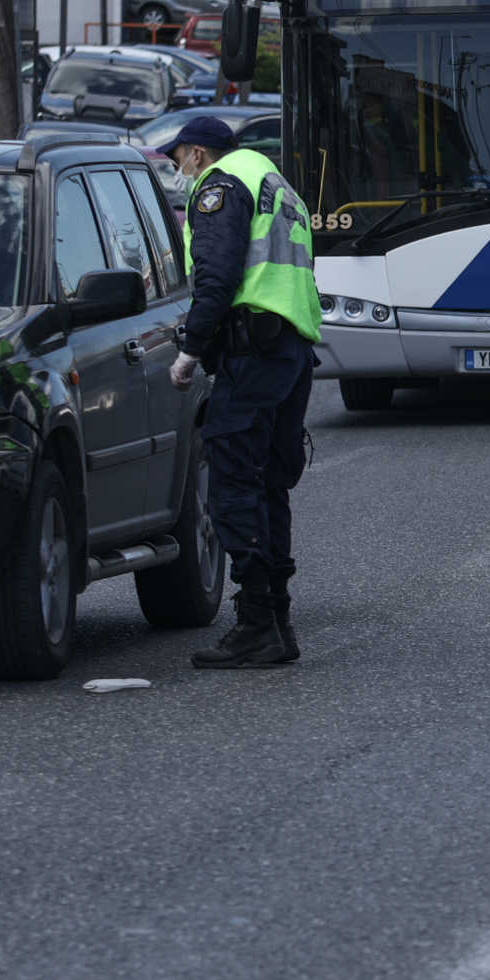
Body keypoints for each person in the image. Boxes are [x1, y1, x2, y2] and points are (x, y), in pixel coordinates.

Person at [163, 112, 324, 669]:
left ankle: (258, 622)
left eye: (177, 157)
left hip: (252, 349)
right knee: (268, 484)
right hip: (291, 348)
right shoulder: (275, 182)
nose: (178, 169)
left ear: (199, 154)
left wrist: (190, 348)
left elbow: (218, 273)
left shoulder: (220, 185)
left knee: (233, 479)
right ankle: (276, 623)